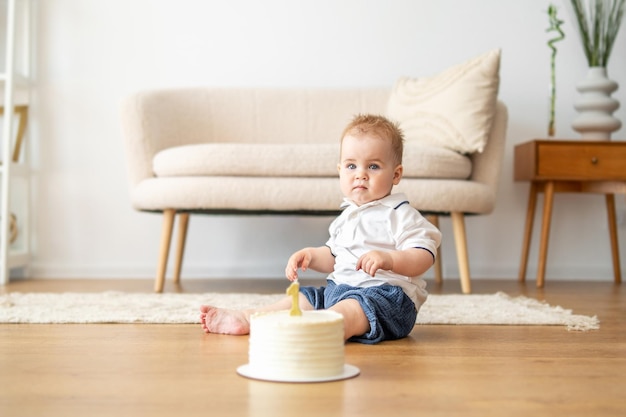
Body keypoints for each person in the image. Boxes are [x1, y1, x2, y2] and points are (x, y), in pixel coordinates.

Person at [200, 114, 441, 344]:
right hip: (340, 291)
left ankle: (325, 328)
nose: (361, 175)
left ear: (396, 174)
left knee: (354, 306)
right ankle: (251, 318)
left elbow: (424, 256)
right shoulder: (346, 217)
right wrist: (311, 255)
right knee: (308, 297)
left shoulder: (400, 213)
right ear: (339, 170)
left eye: (374, 167)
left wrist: (389, 259)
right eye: (351, 166)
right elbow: (334, 258)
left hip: (386, 298)